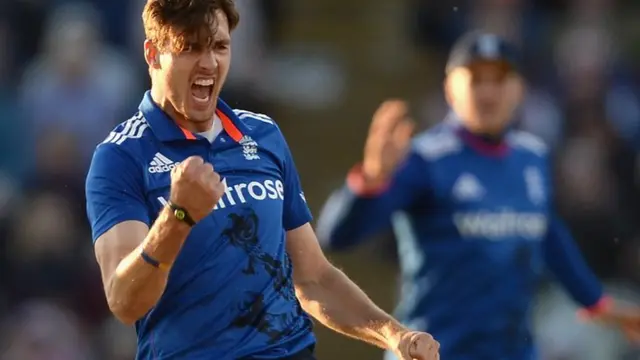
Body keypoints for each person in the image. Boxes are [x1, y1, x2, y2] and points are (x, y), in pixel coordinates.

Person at [84, 1, 440, 359]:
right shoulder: (121, 156)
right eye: (189, 47)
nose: (208, 63)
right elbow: (124, 301)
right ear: (152, 53)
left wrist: (397, 336)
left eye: (219, 46)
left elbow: (313, 277)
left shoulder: (262, 134)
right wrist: (178, 217)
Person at [316, 31, 640, 360]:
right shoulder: (425, 160)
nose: (487, 91)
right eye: (474, 78)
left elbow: (546, 233)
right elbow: (336, 236)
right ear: (449, 88)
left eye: (499, 78)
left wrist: (596, 302)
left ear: (520, 89)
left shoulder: (532, 157)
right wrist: (370, 182)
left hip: (513, 351)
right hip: (433, 351)